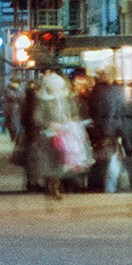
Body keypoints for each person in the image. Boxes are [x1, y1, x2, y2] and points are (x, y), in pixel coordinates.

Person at [22, 69, 85, 198]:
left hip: (62, 135)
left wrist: (69, 121)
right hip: (48, 136)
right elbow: (37, 117)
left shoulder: (64, 98)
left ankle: (55, 187)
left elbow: (72, 113)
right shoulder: (44, 99)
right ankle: (52, 187)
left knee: (59, 162)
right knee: (51, 163)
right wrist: (49, 124)